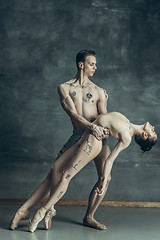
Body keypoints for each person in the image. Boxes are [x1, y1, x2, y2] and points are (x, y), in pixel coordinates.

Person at [10, 50, 111, 231]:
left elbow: (105, 117)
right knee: (54, 173)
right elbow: (72, 113)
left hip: (97, 138)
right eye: (92, 64)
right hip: (78, 135)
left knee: (105, 177)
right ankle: (28, 210)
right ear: (81, 65)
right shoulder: (64, 88)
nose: (95, 67)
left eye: (95, 64)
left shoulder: (98, 91)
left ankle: (89, 216)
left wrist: (104, 111)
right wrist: (91, 126)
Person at [26, 111, 157, 232]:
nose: (153, 128)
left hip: (93, 142)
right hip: (85, 135)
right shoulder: (126, 121)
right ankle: (47, 210)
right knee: (56, 167)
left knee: (66, 175)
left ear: (145, 135)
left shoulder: (127, 137)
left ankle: (41, 212)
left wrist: (104, 180)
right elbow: (104, 117)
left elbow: (110, 160)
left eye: (153, 132)